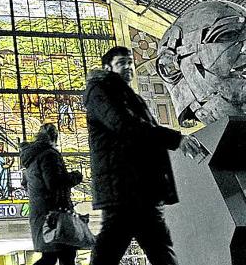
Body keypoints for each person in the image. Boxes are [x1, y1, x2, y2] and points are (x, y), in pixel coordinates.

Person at [84, 46, 207, 265]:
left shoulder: (129, 96)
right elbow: (124, 124)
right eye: (122, 63)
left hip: (142, 188)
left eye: (130, 62)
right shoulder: (99, 91)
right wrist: (176, 139)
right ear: (107, 67)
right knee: (113, 250)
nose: (129, 67)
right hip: (122, 188)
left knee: (158, 249)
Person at [20, 123, 82, 265]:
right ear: (54, 137)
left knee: (50, 257)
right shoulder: (49, 154)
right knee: (67, 255)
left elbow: (26, 185)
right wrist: (75, 177)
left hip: (40, 215)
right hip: (55, 215)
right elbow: (54, 183)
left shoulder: (30, 158)